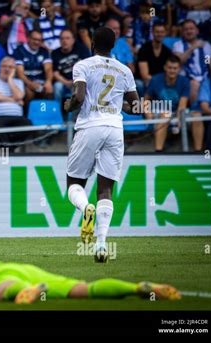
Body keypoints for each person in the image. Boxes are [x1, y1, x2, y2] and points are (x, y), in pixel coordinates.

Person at [64, 27, 139, 262]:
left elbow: (78, 96)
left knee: (74, 184)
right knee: (106, 190)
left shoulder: (83, 65)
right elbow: (135, 107)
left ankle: (86, 208)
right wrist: (117, 106)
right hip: (115, 130)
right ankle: (101, 245)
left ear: (93, 42)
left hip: (90, 127)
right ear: (114, 45)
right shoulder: (125, 70)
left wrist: (68, 106)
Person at [0, 255, 181, 303]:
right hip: (25, 268)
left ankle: (30, 291)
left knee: (2, 290)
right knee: (84, 288)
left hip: (4, 275)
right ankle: (137, 287)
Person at [144, 56, 190, 152]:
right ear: (165, 67)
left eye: (175, 68)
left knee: (194, 116)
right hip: (158, 110)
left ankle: (196, 152)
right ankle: (158, 151)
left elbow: (182, 104)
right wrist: (147, 112)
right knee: (164, 115)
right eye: (169, 68)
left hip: (175, 111)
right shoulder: (155, 79)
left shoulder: (185, 81)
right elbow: (146, 99)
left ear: (179, 69)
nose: (172, 71)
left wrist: (178, 119)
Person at [0, 57, 32, 151]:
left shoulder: (18, 82)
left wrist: (10, 79)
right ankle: (10, 150)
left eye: (10, 67)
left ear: (14, 70)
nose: (7, 69)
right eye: (4, 66)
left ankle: (8, 149)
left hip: (17, 117)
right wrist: (15, 100)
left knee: (28, 125)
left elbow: (19, 96)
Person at [172, 19, 211, 104]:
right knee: (194, 84)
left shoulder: (205, 45)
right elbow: (179, 61)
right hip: (184, 79)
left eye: (191, 29)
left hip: (204, 77)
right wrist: (193, 47)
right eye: (186, 29)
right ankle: (195, 109)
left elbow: (210, 64)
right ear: (182, 32)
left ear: (197, 31)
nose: (189, 31)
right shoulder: (178, 45)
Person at [13, 30, 53, 106]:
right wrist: (30, 84)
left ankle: (46, 115)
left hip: (41, 81)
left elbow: (48, 69)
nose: (37, 42)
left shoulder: (44, 51)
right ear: (28, 38)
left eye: (40, 40)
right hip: (26, 82)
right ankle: (29, 116)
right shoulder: (19, 51)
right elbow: (20, 73)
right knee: (29, 92)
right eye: (34, 39)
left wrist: (48, 81)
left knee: (49, 90)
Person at [52, 28, 90, 104]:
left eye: (67, 38)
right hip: (64, 82)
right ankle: (57, 112)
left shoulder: (82, 49)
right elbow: (55, 73)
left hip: (80, 81)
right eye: (62, 38)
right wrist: (66, 82)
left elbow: (88, 68)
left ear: (73, 40)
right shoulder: (55, 53)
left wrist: (77, 81)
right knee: (57, 86)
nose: (64, 41)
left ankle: (78, 114)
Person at [137, 22, 172, 89]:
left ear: (165, 33)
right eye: (157, 32)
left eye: (162, 32)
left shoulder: (167, 51)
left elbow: (168, 72)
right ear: (152, 33)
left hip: (161, 81)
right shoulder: (144, 49)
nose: (159, 34)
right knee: (139, 84)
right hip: (145, 81)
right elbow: (144, 75)